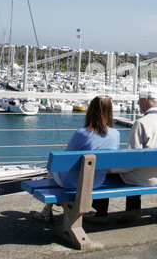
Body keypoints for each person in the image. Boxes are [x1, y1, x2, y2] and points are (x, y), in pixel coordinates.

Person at [91, 86, 157, 223]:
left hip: (143, 178)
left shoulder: (141, 123)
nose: (137, 103)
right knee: (136, 170)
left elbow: (130, 161)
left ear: (145, 100)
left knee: (105, 171)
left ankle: (100, 214)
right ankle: (133, 210)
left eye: (139, 100)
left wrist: (110, 169)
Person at [33, 95, 120, 223]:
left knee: (52, 170)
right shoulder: (115, 134)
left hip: (73, 183)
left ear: (91, 110)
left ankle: (47, 210)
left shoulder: (82, 133)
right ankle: (54, 207)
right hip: (97, 182)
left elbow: (65, 160)